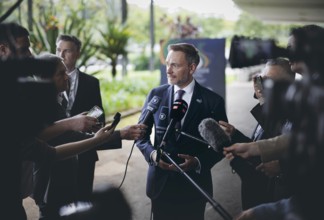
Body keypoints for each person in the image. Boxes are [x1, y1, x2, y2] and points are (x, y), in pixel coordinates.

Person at [226, 24, 324, 220]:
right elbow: (301, 138)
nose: (288, 54)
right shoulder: (309, 89)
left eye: (293, 48)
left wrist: (284, 166)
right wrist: (257, 148)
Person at [136, 43, 228, 220]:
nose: (168, 70)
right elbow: (140, 136)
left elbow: (222, 146)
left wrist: (198, 161)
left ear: (192, 68)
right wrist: (153, 154)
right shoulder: (156, 95)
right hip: (160, 185)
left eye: (175, 65)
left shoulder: (213, 101)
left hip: (194, 188)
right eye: (167, 64)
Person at [220, 58, 295, 210]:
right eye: (262, 79)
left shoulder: (293, 113)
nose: (261, 84)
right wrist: (235, 134)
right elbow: (260, 143)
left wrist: (283, 167)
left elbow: (274, 141)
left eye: (268, 80)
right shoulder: (271, 109)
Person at [55, 34, 107, 201]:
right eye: (58, 50)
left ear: (77, 53)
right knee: (56, 202)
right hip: (55, 150)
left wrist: (86, 122)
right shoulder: (46, 82)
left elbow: (98, 110)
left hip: (85, 150)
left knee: (84, 199)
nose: (61, 55)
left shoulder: (91, 82)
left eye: (67, 51)